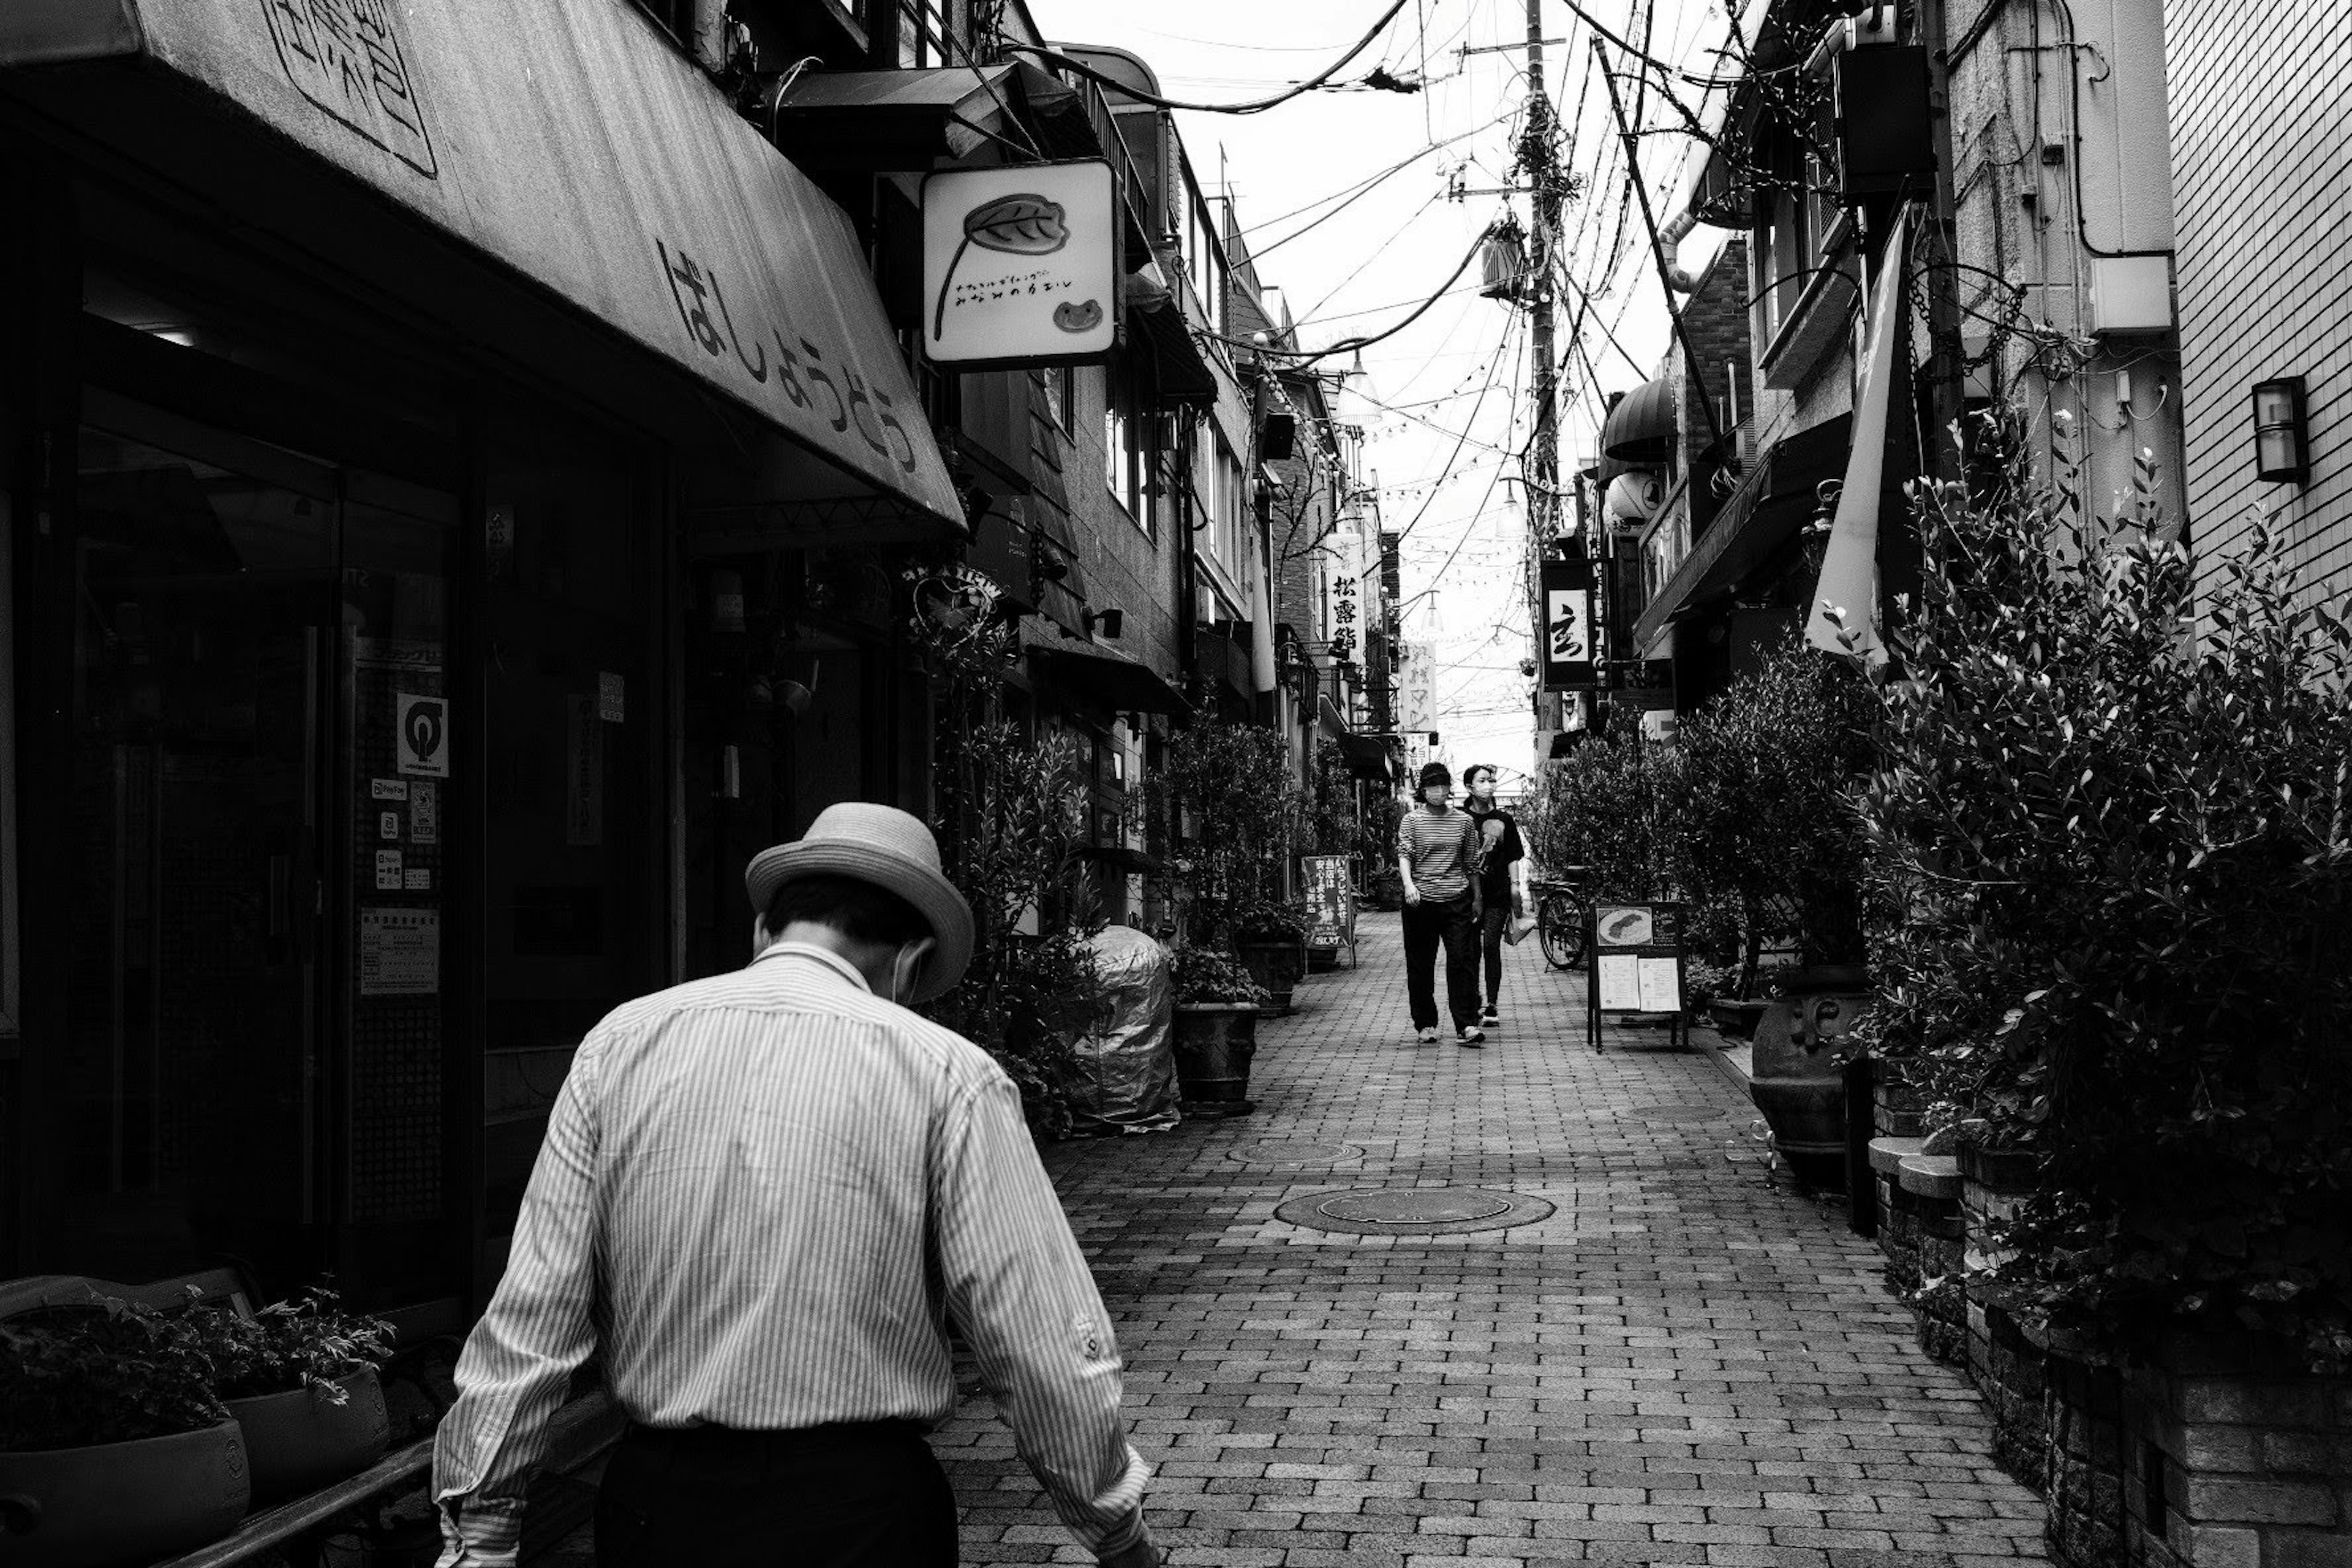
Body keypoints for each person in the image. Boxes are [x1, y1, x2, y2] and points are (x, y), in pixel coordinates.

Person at [429, 802, 1159, 1568]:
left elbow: (534, 1311)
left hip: (657, 1507)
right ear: (910, 962)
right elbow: (1034, 1332)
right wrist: (1115, 1530)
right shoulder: (949, 1073)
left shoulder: (618, 1044)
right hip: (860, 1514)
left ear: (764, 932)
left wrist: (481, 1536)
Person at [1395, 761, 1485, 1046]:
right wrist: (1409, 885)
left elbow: (1471, 863)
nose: (1439, 790)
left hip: (1456, 899)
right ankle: (1425, 1024)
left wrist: (1477, 897)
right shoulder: (1412, 821)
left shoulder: (1464, 822)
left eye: (1443, 785)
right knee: (1421, 964)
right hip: (1420, 901)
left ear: (1450, 788)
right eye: (1433, 786)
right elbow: (1404, 854)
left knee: (1462, 961)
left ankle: (1467, 1024)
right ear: (1423, 790)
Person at [1461, 764, 1531, 1028]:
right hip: (1467, 895)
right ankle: (1473, 998)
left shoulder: (1504, 820)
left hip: (1498, 893)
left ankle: (1491, 1003)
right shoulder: (1460, 819)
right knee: (1471, 950)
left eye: (1491, 780)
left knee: (1491, 946)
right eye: (1482, 780)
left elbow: (1513, 856)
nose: (1488, 784)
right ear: (1470, 787)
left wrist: (1516, 887)